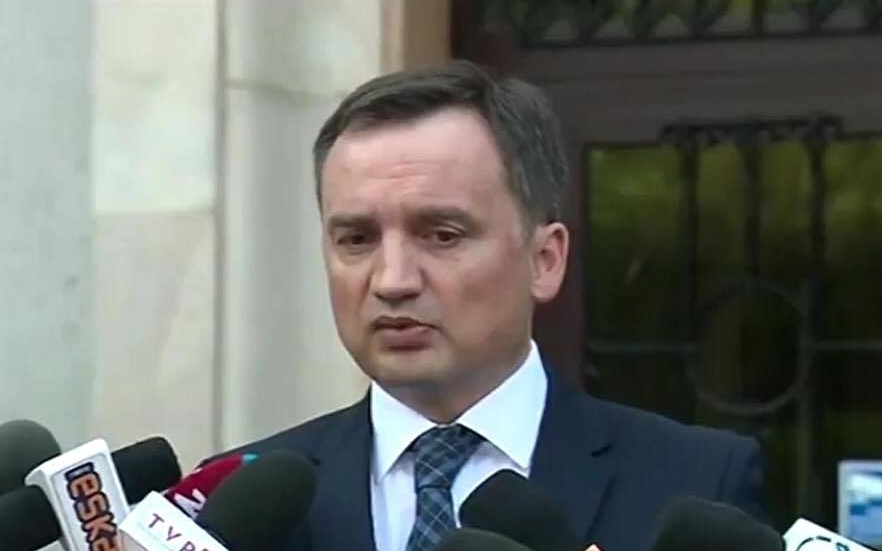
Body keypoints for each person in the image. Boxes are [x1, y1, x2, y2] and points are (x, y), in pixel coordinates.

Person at [210, 60, 767, 551]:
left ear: (545, 260)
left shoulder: (695, 482)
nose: (393, 281)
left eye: (442, 235)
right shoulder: (236, 508)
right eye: (357, 239)